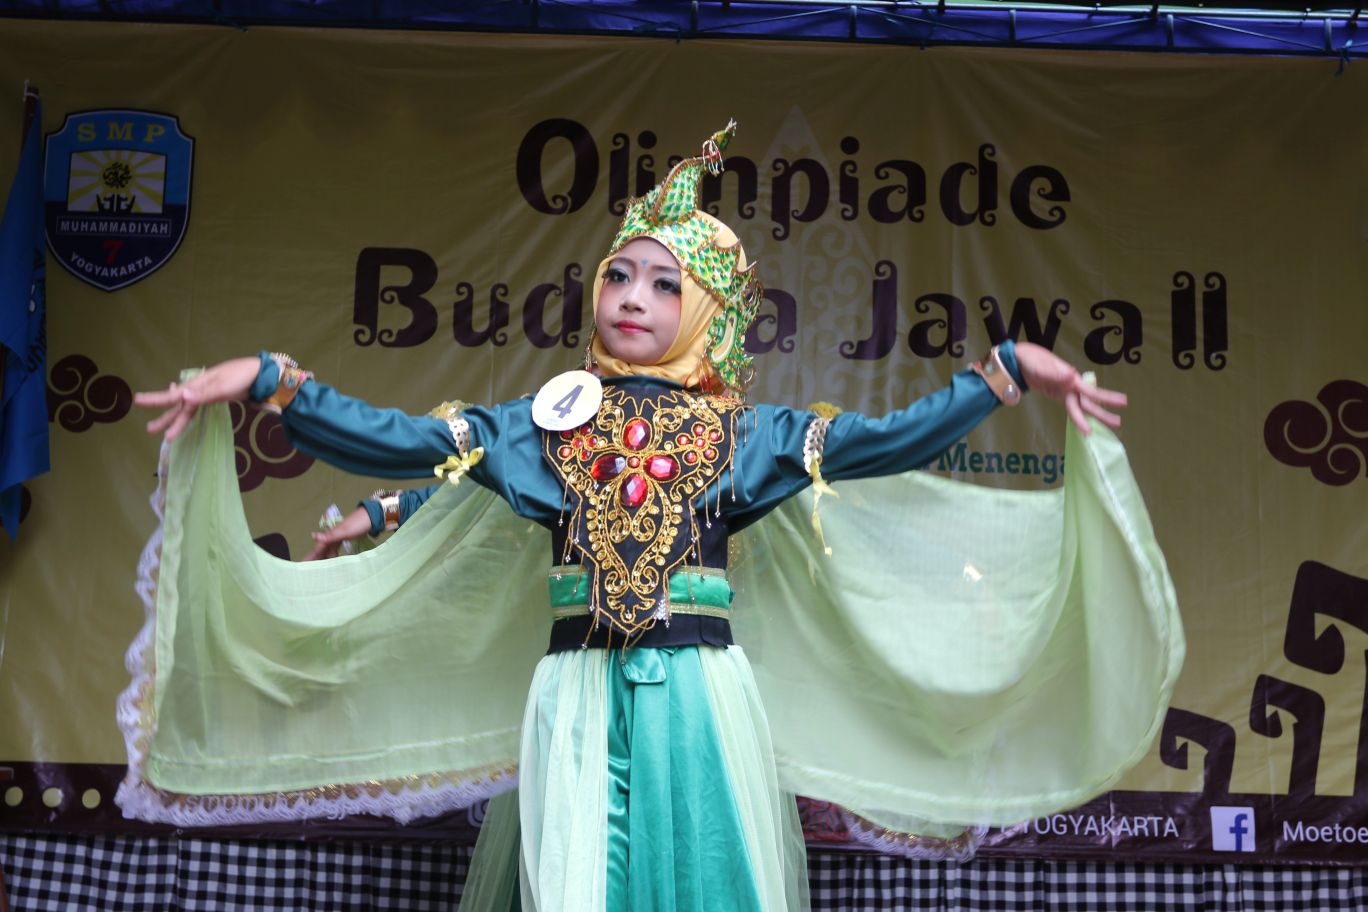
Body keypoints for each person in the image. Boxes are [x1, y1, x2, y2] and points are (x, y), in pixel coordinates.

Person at [130, 123, 1173, 912]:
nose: (633, 295)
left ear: (707, 313)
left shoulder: (749, 435)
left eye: (665, 284)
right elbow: (402, 441)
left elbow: (882, 443)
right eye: (619, 273)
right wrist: (270, 379)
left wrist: (1001, 376)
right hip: (573, 693)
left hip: (699, 697)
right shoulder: (540, 420)